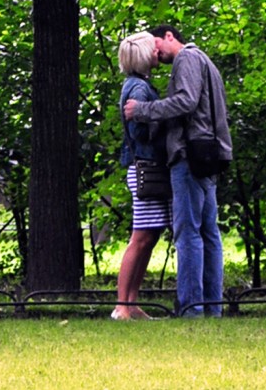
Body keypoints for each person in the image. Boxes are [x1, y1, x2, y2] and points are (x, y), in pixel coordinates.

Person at [124, 24, 232, 317]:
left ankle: (191, 309)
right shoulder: (205, 60)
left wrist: (143, 111)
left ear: (169, 36)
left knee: (188, 233)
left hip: (188, 156)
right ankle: (212, 308)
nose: (155, 51)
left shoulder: (187, 58)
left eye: (156, 43)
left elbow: (185, 102)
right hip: (207, 155)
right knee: (209, 232)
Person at [112, 31, 171, 321]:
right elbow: (138, 130)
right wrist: (161, 121)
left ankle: (131, 303)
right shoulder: (137, 88)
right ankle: (122, 304)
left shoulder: (140, 84)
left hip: (147, 169)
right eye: (152, 48)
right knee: (141, 237)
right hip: (144, 168)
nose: (157, 51)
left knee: (149, 235)